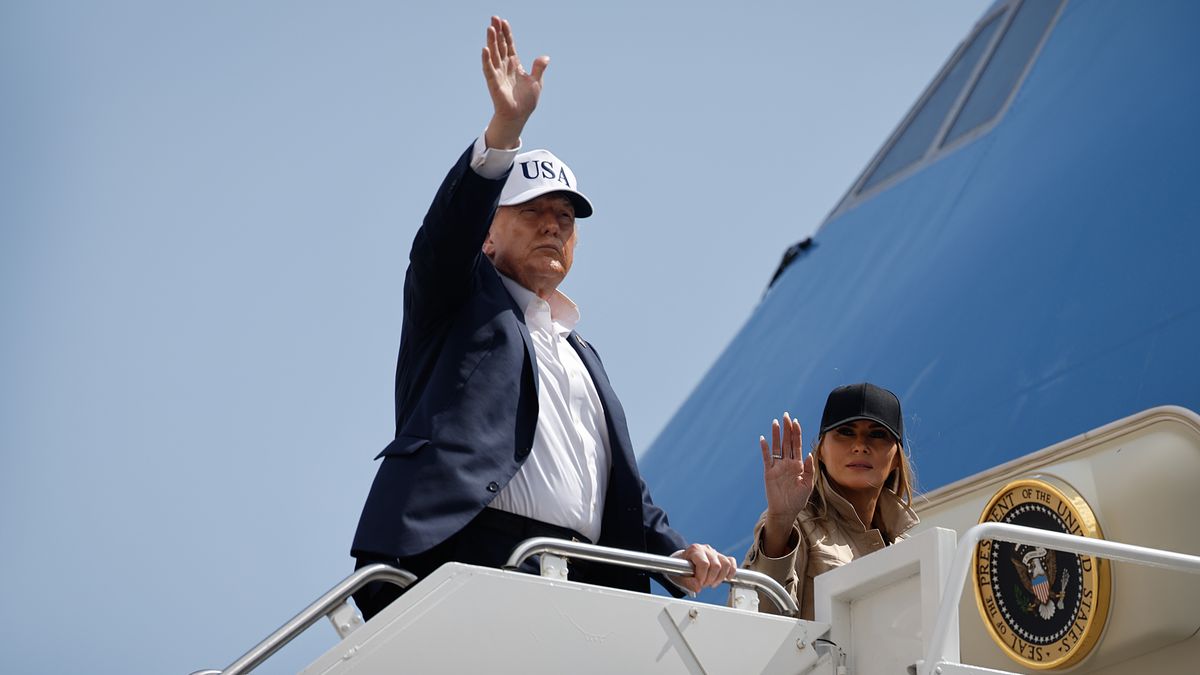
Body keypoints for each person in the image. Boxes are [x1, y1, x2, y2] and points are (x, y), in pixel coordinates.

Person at [350, 16, 735, 620]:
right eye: (532, 211)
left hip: (585, 574)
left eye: (566, 217)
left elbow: (618, 486)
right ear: (487, 235)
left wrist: (677, 556)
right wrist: (506, 131)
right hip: (469, 551)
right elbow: (443, 237)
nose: (553, 224)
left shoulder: (582, 355)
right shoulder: (456, 298)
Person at [741, 383, 918, 620]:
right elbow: (755, 622)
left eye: (877, 434)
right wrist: (780, 523)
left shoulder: (907, 548)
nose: (860, 446)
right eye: (845, 432)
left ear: (896, 457)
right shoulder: (796, 524)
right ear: (821, 450)